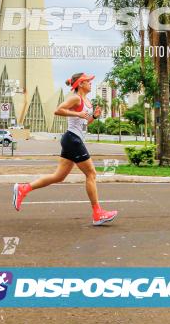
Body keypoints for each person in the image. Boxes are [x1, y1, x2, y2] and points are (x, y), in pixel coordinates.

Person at [12, 72, 118, 225]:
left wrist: (92, 117)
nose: (91, 83)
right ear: (80, 84)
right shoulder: (75, 98)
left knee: (58, 176)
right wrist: (79, 114)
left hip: (73, 139)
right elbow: (58, 110)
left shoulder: (86, 101)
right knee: (91, 173)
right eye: (88, 81)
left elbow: (83, 124)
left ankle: (23, 189)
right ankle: (97, 214)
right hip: (73, 140)